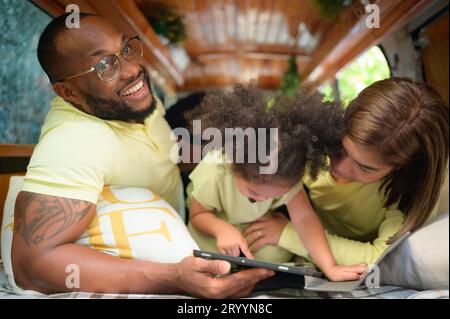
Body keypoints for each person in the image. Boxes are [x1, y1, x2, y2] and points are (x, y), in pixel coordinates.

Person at [10, 13, 273, 297]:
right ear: (68, 92)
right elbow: (31, 266)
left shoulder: (133, 101)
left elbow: (163, 155)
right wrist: (174, 278)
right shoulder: (72, 140)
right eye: (103, 65)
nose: (132, 69)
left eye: (125, 49)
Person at [243, 77, 449, 267]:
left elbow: (380, 258)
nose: (339, 167)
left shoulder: (405, 190)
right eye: (340, 147)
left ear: (403, 166)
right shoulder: (310, 136)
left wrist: (288, 233)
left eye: (366, 168)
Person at [186, 83, 367, 281]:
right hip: (210, 224)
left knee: (275, 254)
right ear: (235, 166)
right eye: (254, 193)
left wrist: (330, 267)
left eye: (274, 196)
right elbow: (198, 215)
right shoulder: (216, 169)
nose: (264, 200)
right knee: (206, 257)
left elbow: (305, 218)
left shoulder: (286, 173)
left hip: (247, 225)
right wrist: (222, 230)